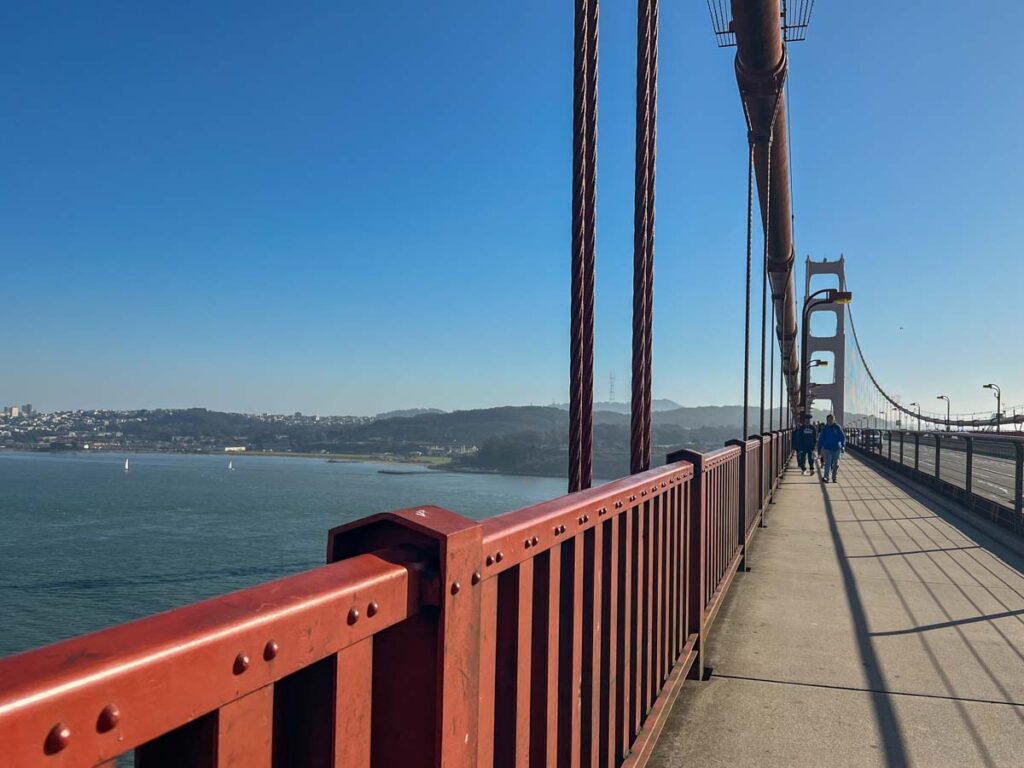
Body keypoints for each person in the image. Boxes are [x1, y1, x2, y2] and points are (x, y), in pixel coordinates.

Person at [817, 414, 846, 483]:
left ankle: (834, 477)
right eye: (828, 420)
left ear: (834, 420)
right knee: (828, 463)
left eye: (831, 419)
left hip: (836, 448)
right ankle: (826, 477)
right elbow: (821, 439)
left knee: (836, 464)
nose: (829, 421)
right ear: (826, 420)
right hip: (827, 448)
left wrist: (842, 445)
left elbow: (842, 437)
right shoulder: (824, 429)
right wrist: (819, 448)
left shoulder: (837, 427)